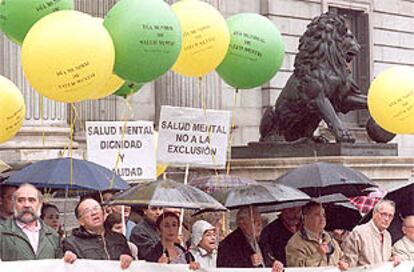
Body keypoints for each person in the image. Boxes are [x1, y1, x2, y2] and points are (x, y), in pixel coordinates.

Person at [62, 198, 132, 269]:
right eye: (87, 211)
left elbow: (132, 265)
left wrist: (127, 257)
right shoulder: (72, 243)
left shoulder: (119, 238)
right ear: (80, 221)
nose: (93, 213)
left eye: (96, 208)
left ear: (103, 212)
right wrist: (69, 258)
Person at [0, 183, 61, 261]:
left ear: (40, 204)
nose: (26, 205)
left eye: (31, 200)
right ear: (15, 204)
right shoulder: (2, 232)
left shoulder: (53, 236)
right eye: (21, 200)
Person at [217, 206, 284, 272]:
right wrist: (249, 261)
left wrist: (275, 263)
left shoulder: (261, 239)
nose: (259, 224)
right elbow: (225, 267)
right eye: (255, 221)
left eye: (260, 220)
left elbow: (268, 259)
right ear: (242, 224)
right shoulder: (229, 244)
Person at [285, 202, 347, 269]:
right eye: (317, 215)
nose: (322, 218)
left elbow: (342, 257)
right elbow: (297, 269)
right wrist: (318, 254)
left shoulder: (329, 238)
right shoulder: (295, 243)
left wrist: (343, 263)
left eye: (323, 215)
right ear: (305, 218)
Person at [342, 199, 401, 267]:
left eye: (390, 216)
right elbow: (349, 265)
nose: (387, 219)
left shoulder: (387, 235)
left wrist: (392, 259)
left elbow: (383, 260)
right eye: (384, 214)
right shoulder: (358, 232)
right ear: (374, 214)